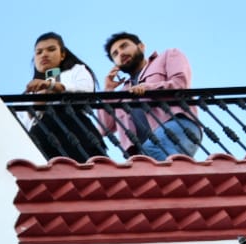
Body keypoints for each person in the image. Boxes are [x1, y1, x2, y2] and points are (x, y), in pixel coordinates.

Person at [97, 32, 200, 161]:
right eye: (115, 54)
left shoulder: (168, 55)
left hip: (178, 124)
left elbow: (180, 84)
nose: (121, 54)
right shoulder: (122, 93)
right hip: (142, 149)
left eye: (124, 46)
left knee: (153, 148)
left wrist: (148, 88)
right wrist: (108, 91)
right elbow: (105, 128)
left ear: (141, 47)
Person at [18, 32, 110, 162]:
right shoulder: (28, 93)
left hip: (76, 130)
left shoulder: (76, 70)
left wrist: (53, 86)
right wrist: (36, 106)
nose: (44, 54)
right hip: (41, 137)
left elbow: (86, 89)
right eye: (39, 52)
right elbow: (23, 125)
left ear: (62, 55)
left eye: (51, 49)